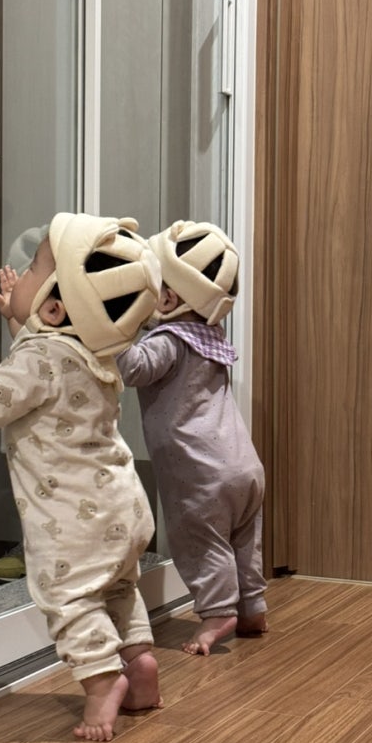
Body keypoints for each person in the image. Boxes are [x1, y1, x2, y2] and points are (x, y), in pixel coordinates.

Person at [0, 212, 164, 741]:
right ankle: (139, 665)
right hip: (121, 503)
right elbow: (47, 360)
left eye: (30, 271)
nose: (17, 276)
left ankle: (101, 682)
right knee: (118, 587)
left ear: (52, 307)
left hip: (74, 519)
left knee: (69, 596)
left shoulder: (40, 357)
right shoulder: (93, 351)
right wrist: (18, 320)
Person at [117, 219, 268, 656]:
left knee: (201, 541)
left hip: (198, 471)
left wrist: (113, 329)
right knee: (243, 540)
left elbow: (133, 368)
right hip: (243, 466)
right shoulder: (209, 337)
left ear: (167, 299)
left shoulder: (168, 341)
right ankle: (252, 608)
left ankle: (217, 612)